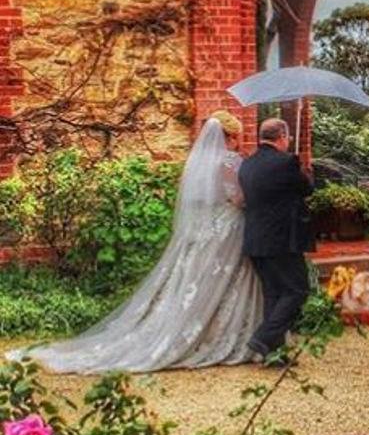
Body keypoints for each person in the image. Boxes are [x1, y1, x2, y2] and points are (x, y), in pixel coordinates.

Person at [8, 112, 262, 373]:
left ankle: (202, 331)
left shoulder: (197, 162)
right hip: (226, 230)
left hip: (203, 231)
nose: (237, 144)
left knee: (200, 281)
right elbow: (237, 199)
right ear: (228, 138)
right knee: (226, 281)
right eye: (236, 138)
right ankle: (223, 336)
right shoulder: (229, 161)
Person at [239, 118, 314, 365]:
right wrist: (305, 171)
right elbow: (306, 189)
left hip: (254, 240)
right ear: (282, 136)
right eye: (288, 138)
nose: (288, 142)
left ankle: (274, 355)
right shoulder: (286, 163)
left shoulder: (247, 165)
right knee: (298, 290)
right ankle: (264, 337)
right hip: (282, 240)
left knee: (273, 294)